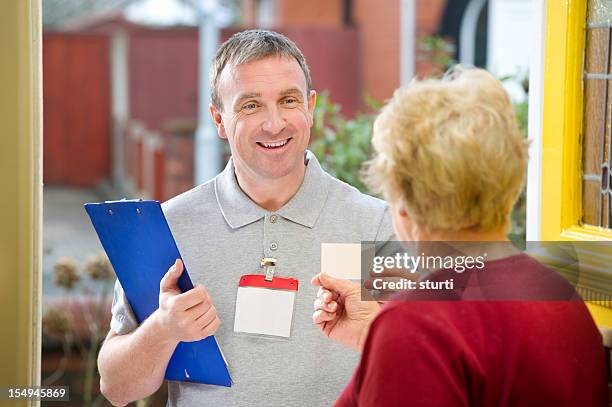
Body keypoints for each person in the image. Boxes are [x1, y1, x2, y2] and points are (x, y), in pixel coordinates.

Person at [96, 30, 394, 407]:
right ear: (219, 119)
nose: (274, 124)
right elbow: (117, 388)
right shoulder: (169, 228)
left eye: (288, 100)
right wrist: (162, 329)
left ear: (310, 107)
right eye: (251, 105)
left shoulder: (376, 226)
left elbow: (425, 371)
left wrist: (376, 336)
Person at [312, 67, 608, 406]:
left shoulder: (418, 325)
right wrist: (377, 339)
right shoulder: (560, 294)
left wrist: (395, 338)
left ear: (405, 205)